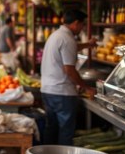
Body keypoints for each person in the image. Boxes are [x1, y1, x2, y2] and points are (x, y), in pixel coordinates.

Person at [40, 9, 97, 146]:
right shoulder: (68, 39)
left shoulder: (56, 35)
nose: (82, 28)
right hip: (62, 94)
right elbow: (69, 70)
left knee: (51, 129)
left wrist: (88, 45)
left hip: (48, 91)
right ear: (76, 23)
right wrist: (86, 87)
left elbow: (70, 48)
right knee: (66, 132)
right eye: (82, 25)